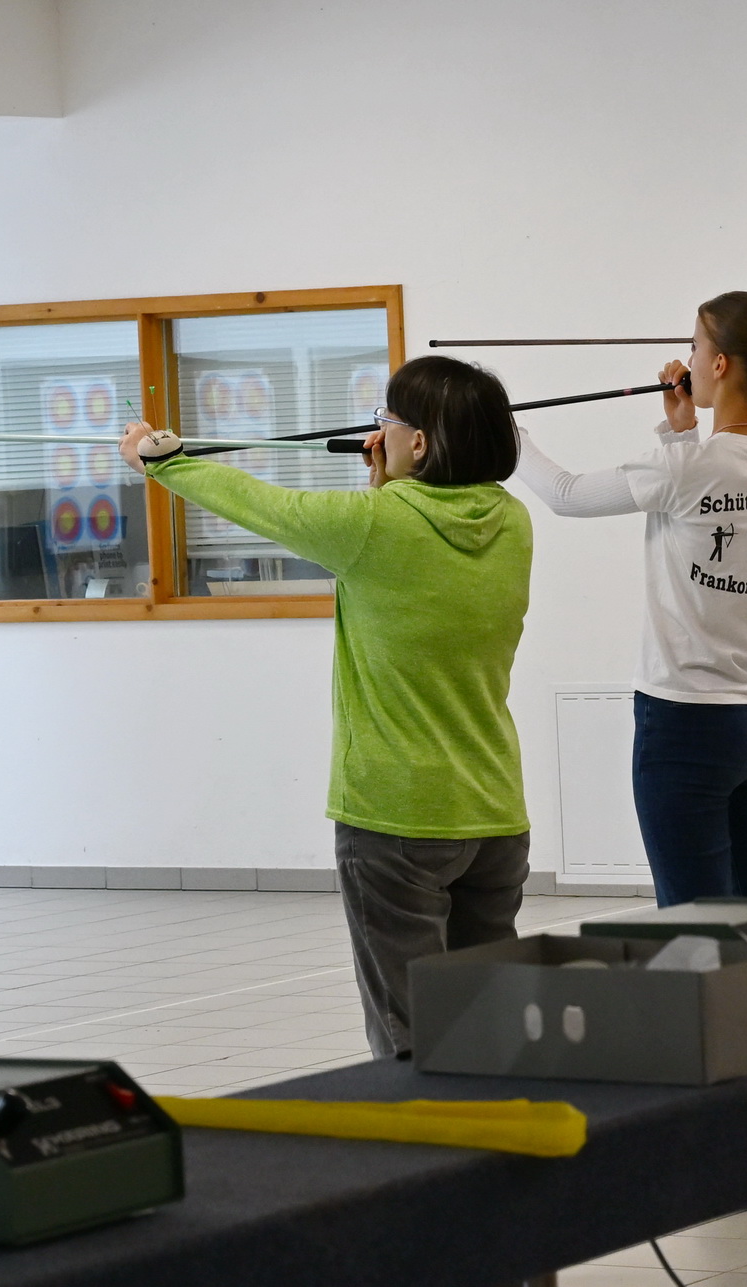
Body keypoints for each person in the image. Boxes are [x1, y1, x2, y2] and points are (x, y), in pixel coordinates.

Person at [117, 356, 533, 1060]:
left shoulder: (374, 525)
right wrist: (389, 485)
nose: (379, 431)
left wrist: (165, 462)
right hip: (494, 812)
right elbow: (408, 551)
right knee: (488, 1025)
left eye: (387, 420)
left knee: (410, 1041)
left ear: (419, 442)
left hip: (397, 816)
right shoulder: (513, 522)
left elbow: (267, 507)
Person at [513, 292, 747, 905]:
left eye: (694, 346)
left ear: (720, 364)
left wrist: (508, 435)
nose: (688, 358)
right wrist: (679, 432)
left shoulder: (685, 469)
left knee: (695, 919)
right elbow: (708, 499)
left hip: (689, 720)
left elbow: (566, 494)